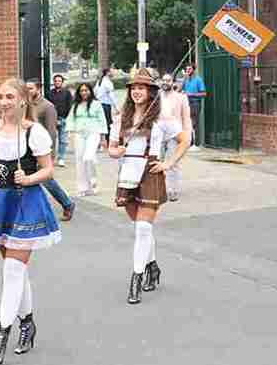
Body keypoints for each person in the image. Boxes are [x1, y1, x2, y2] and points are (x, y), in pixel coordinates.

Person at [0, 77, 61, 365]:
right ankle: (28, 323)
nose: (3, 101)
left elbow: (48, 169)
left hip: (27, 203)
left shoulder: (34, 132)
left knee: (12, 270)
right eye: (0, 96)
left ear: (23, 99)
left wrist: (30, 177)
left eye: (9, 96)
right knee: (17, 271)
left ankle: (1, 336)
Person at [108, 69, 191, 305]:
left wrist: (169, 163)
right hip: (127, 174)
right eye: (133, 87)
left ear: (150, 91)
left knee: (143, 229)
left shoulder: (162, 116)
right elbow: (111, 148)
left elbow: (185, 139)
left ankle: (136, 277)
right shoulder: (121, 117)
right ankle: (152, 267)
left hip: (150, 172)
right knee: (140, 228)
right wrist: (117, 151)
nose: (136, 91)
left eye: (141, 88)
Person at [25, 80, 74, 221]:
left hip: (42, 150)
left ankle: (67, 204)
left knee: (46, 180)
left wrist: (50, 154)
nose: (28, 91)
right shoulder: (25, 105)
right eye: (26, 88)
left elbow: (52, 131)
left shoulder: (47, 107)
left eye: (30, 88)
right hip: (28, 148)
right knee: (31, 179)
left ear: (38, 89)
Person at [64, 82, 108, 197]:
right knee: (80, 160)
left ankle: (93, 182)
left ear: (90, 91)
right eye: (82, 90)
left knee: (88, 157)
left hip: (93, 133)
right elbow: (70, 119)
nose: (84, 92)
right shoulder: (76, 105)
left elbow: (102, 121)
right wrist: (70, 133)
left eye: (86, 90)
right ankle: (83, 188)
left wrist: (103, 138)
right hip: (79, 134)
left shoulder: (97, 104)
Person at [157, 73, 192, 203]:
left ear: (173, 82)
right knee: (156, 162)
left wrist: (187, 134)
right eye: (163, 80)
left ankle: (173, 190)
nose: (165, 82)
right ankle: (158, 189)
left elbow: (186, 118)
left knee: (173, 163)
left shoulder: (181, 98)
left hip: (175, 134)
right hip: (159, 135)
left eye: (168, 80)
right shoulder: (156, 97)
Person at [47, 74, 73, 166]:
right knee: (51, 139)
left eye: (59, 81)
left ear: (62, 82)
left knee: (63, 140)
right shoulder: (49, 93)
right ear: (53, 82)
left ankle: (61, 158)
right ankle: (51, 158)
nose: (57, 82)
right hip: (52, 119)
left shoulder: (67, 93)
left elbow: (70, 106)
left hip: (63, 118)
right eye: (56, 81)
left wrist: (68, 119)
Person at [182, 63, 207, 149]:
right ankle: (189, 142)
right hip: (186, 103)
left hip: (195, 103)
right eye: (187, 69)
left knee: (194, 123)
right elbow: (179, 90)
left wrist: (191, 94)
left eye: (189, 69)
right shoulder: (186, 80)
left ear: (193, 70)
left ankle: (196, 143)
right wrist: (183, 80)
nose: (188, 71)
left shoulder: (198, 80)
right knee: (187, 123)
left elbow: (204, 94)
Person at [96, 65, 118, 131]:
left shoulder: (99, 81)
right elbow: (112, 96)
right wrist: (117, 108)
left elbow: (95, 92)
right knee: (108, 123)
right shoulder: (108, 83)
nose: (113, 73)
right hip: (105, 106)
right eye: (111, 71)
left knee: (102, 123)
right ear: (107, 73)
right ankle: (108, 139)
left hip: (99, 104)